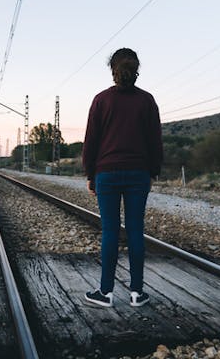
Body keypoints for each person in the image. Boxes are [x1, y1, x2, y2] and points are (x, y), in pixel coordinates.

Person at [82, 47, 163, 308]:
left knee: (110, 231)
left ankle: (105, 292)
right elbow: (155, 141)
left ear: (112, 70)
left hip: (106, 172)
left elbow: (91, 142)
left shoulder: (101, 100)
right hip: (138, 174)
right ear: (136, 69)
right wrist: (153, 171)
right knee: (136, 232)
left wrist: (90, 174)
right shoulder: (147, 101)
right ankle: (137, 293)